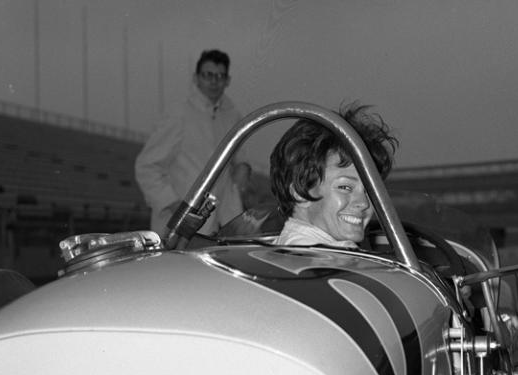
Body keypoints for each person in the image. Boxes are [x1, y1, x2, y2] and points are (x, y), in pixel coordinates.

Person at [134, 49, 251, 237]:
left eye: (220, 76)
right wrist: (174, 205)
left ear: (227, 80)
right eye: (208, 75)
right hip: (179, 227)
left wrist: (244, 167)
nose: (214, 81)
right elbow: (147, 167)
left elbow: (240, 157)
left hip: (221, 224)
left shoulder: (232, 115)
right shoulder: (178, 113)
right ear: (196, 78)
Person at [269, 103, 398, 247]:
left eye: (370, 191)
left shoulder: (294, 250)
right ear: (300, 193)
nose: (364, 203)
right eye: (345, 187)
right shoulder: (315, 261)